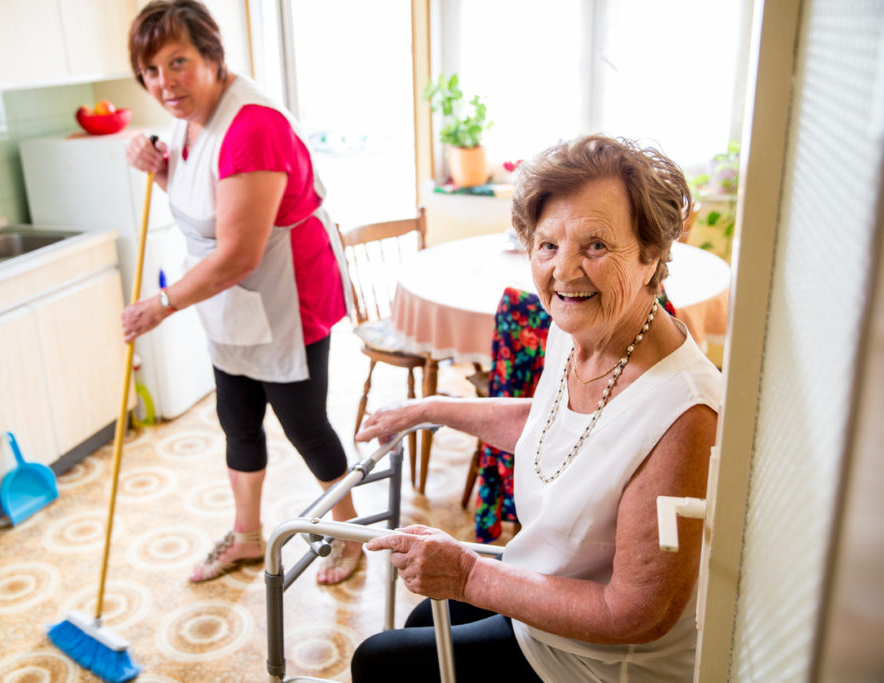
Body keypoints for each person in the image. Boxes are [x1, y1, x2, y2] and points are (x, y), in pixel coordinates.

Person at [350, 134, 721, 681]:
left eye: (596, 246)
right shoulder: (573, 329)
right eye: (547, 246)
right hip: (545, 581)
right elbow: (553, 423)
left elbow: (639, 612)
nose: (564, 272)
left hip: (594, 657)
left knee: (380, 662)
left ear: (651, 255)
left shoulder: (684, 411)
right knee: (415, 624)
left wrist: (470, 576)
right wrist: (429, 408)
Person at [122, 0, 362, 585]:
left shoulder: (252, 125)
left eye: (177, 62)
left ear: (212, 56)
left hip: (286, 297)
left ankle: (351, 536)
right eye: (150, 70)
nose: (164, 83)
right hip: (231, 301)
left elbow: (238, 252)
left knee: (304, 426)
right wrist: (156, 167)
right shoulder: (190, 116)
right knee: (238, 419)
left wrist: (162, 303)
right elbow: (204, 201)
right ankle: (247, 537)